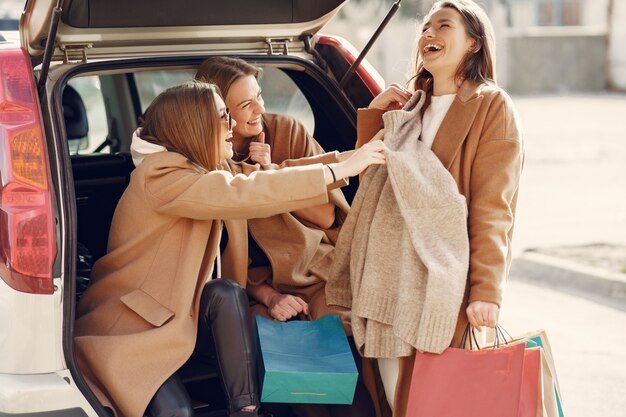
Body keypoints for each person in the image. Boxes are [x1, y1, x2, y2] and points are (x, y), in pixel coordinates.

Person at [73, 81, 386, 417]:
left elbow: (275, 175)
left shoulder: (204, 167)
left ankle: (247, 410)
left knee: (225, 291)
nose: (233, 126)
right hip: (131, 330)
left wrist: (359, 155)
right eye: (224, 117)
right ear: (196, 124)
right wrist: (338, 170)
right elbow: (243, 191)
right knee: (177, 412)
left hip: (181, 318)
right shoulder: (160, 175)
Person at [326, 1, 524, 416]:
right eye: (426, 27)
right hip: (389, 282)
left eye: (443, 25)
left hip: (443, 285)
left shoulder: (491, 107)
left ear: (473, 43)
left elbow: (494, 208)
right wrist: (378, 114)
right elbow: (373, 188)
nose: (429, 34)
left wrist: (486, 291)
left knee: (438, 402)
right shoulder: (409, 109)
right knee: (396, 401)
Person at [194, 56, 375, 417]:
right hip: (253, 289)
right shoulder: (208, 159)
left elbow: (326, 215)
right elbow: (216, 264)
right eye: (245, 104)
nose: (259, 108)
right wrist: (270, 296)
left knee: (347, 380)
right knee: (292, 376)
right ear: (219, 113)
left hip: (317, 274)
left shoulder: (286, 131)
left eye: (259, 95)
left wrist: (274, 172)